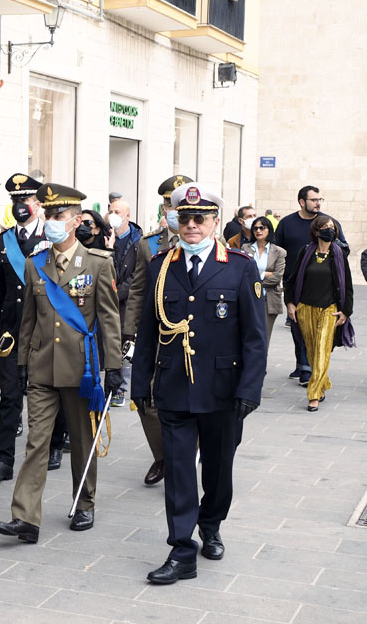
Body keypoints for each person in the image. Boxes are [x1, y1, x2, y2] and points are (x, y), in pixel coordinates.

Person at [131, 183, 266, 584]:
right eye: (185, 218)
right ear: (176, 220)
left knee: (218, 470)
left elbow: (255, 338)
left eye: (200, 218)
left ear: (215, 222)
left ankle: (211, 523)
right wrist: (140, 384)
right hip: (173, 385)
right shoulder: (160, 266)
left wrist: (249, 389)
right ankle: (181, 550)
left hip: (224, 389)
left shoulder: (239, 267)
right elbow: (148, 331)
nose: (192, 225)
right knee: (178, 470)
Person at [0, 183, 122, 542]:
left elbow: (109, 319)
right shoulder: (35, 265)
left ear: (76, 220)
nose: (51, 220)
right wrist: (22, 363)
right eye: (48, 214)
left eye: (58, 215)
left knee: (81, 440)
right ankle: (25, 517)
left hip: (81, 370)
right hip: (42, 367)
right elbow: (28, 321)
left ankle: (84, 502)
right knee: (37, 441)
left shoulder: (98, 263)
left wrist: (113, 367)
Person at [0, 173, 72, 481]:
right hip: (12, 332)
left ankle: (54, 445)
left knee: (53, 389)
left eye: (25, 199)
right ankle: (4, 459)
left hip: (46, 329)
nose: (20, 205)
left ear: (37, 203)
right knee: (10, 395)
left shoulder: (53, 237)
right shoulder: (4, 240)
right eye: (15, 200)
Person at [121, 175, 193, 486]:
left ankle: (183, 456)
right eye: (168, 205)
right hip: (157, 335)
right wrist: (129, 332)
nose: (173, 211)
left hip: (192, 337)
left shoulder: (208, 241)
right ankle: (164, 456)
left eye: (178, 204)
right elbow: (137, 291)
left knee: (191, 400)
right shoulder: (148, 244)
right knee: (146, 399)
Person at [274, 186, 346, 387]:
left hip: (324, 289)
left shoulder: (328, 222)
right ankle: (303, 365)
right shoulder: (287, 224)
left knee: (321, 337)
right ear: (302, 202)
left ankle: (311, 372)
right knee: (299, 328)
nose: (318, 203)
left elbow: (344, 249)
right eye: (314, 200)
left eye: (320, 199)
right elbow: (277, 250)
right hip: (296, 285)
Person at [283, 215, 354, 412]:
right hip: (305, 308)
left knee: (323, 349)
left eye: (332, 227)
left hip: (329, 310)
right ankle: (323, 382)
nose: (329, 230)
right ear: (316, 231)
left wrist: (345, 311)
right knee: (312, 351)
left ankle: (313, 394)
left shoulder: (338, 254)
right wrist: (290, 304)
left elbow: (347, 285)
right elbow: (292, 279)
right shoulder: (306, 251)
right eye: (325, 227)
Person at [107, 199, 143, 406]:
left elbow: (137, 276)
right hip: (108, 301)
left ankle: (120, 389)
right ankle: (109, 385)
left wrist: (115, 292)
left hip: (125, 302)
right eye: (110, 211)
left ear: (128, 215)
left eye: (117, 211)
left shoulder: (138, 241)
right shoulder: (105, 238)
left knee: (125, 344)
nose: (113, 215)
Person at [241, 216, 286, 348]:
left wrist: (254, 278)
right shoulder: (245, 248)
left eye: (262, 228)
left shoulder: (279, 252)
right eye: (255, 228)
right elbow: (242, 272)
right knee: (247, 334)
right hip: (248, 298)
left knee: (263, 337)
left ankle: (261, 361)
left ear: (269, 229)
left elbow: (277, 277)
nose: (258, 231)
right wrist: (264, 274)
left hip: (268, 299)